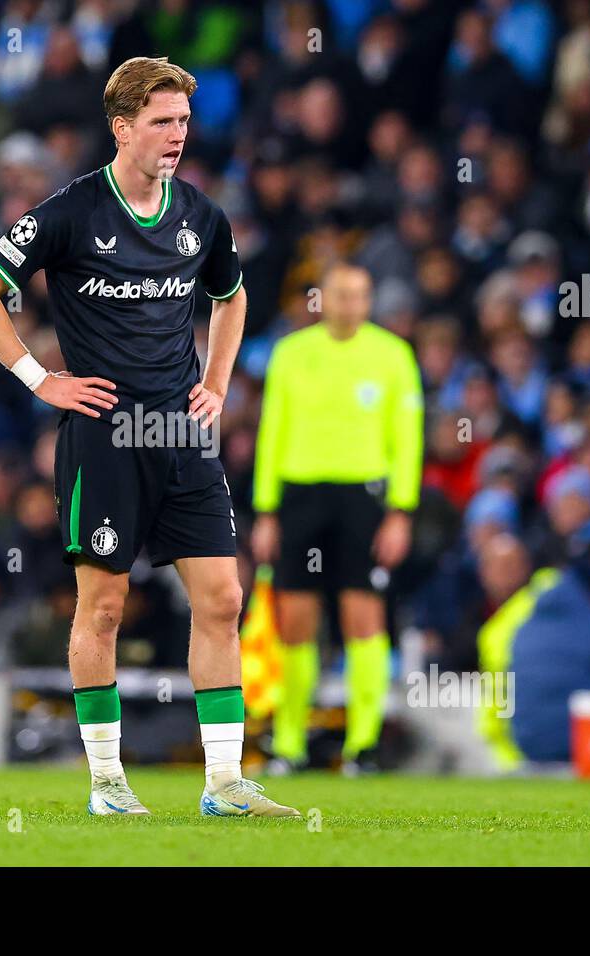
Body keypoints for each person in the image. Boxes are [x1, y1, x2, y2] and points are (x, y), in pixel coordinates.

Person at [0, 57, 297, 817]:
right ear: (122, 129)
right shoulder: (72, 212)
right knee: (103, 609)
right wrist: (39, 379)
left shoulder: (202, 216)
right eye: (161, 122)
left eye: (183, 121)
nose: (177, 136)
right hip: (104, 438)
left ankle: (224, 782)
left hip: (181, 434)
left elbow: (231, 298)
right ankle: (108, 782)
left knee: (223, 599)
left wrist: (216, 383)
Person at [249, 261, 424, 775]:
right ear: (320, 299)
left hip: (364, 498)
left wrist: (401, 512)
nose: (350, 304)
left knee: (362, 618)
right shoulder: (290, 354)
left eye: (360, 295)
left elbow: (407, 439)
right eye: (341, 294)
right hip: (300, 495)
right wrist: (266, 511)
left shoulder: (393, 356)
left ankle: (362, 744)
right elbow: (271, 433)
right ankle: (289, 744)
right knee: (296, 622)